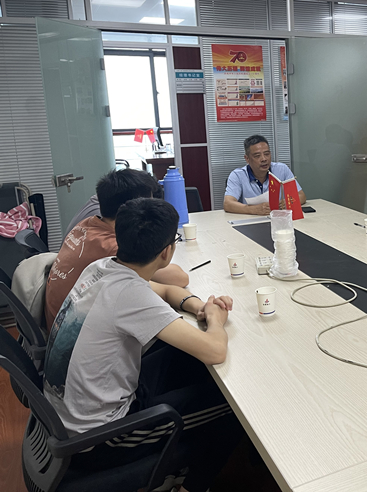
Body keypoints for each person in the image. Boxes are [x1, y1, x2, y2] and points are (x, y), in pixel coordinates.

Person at [44, 198, 243, 492]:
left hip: (71, 415)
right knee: (234, 409)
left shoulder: (102, 267)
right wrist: (215, 320)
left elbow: (165, 290)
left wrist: (199, 306)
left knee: (182, 355)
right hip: (101, 438)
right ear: (167, 252)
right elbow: (215, 350)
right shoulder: (129, 294)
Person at [45, 169, 188, 329]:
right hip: (74, 330)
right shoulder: (111, 246)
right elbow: (179, 278)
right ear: (134, 209)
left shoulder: (87, 224)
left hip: (60, 322)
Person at [224, 134, 306, 215]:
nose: (264, 159)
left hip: (279, 218)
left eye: (267, 154)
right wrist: (253, 209)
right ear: (247, 159)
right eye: (257, 156)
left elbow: (301, 196)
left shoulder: (282, 169)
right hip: (251, 220)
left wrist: (285, 203)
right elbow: (228, 204)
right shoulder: (237, 175)